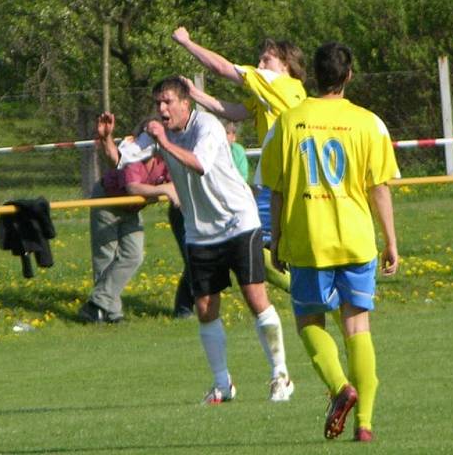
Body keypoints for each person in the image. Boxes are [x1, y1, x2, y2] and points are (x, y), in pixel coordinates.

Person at [261, 42, 400, 442]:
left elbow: (276, 188)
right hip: (356, 240)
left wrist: (276, 239)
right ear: (348, 76)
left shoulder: (288, 122)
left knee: (308, 322)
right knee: (358, 328)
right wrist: (390, 241)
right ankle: (366, 425)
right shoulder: (368, 123)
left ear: (311, 77)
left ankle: (341, 388)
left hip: (310, 240)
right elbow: (379, 188)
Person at [143, 76, 294, 404]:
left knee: (255, 298)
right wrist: (108, 141)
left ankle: (281, 375)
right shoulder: (159, 130)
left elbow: (200, 164)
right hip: (200, 232)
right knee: (205, 307)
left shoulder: (208, 127)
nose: (162, 109)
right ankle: (222, 384)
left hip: (238, 222)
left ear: (186, 103)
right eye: (158, 103)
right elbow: (123, 157)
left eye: (168, 101)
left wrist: (164, 143)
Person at [172, 27, 306, 292]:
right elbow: (234, 112)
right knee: (274, 244)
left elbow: (222, 68)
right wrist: (196, 95)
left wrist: (187, 43)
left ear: (286, 65)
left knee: (257, 244)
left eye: (266, 59)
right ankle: (308, 290)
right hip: (285, 177)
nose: (259, 65)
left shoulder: (275, 82)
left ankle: (303, 292)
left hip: (282, 179)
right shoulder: (280, 92)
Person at [78, 112, 189, 324]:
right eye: (150, 133)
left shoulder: (166, 158)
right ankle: (111, 313)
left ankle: (96, 304)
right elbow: (132, 186)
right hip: (108, 201)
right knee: (106, 256)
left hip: (132, 208)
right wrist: (165, 189)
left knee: (133, 255)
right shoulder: (134, 155)